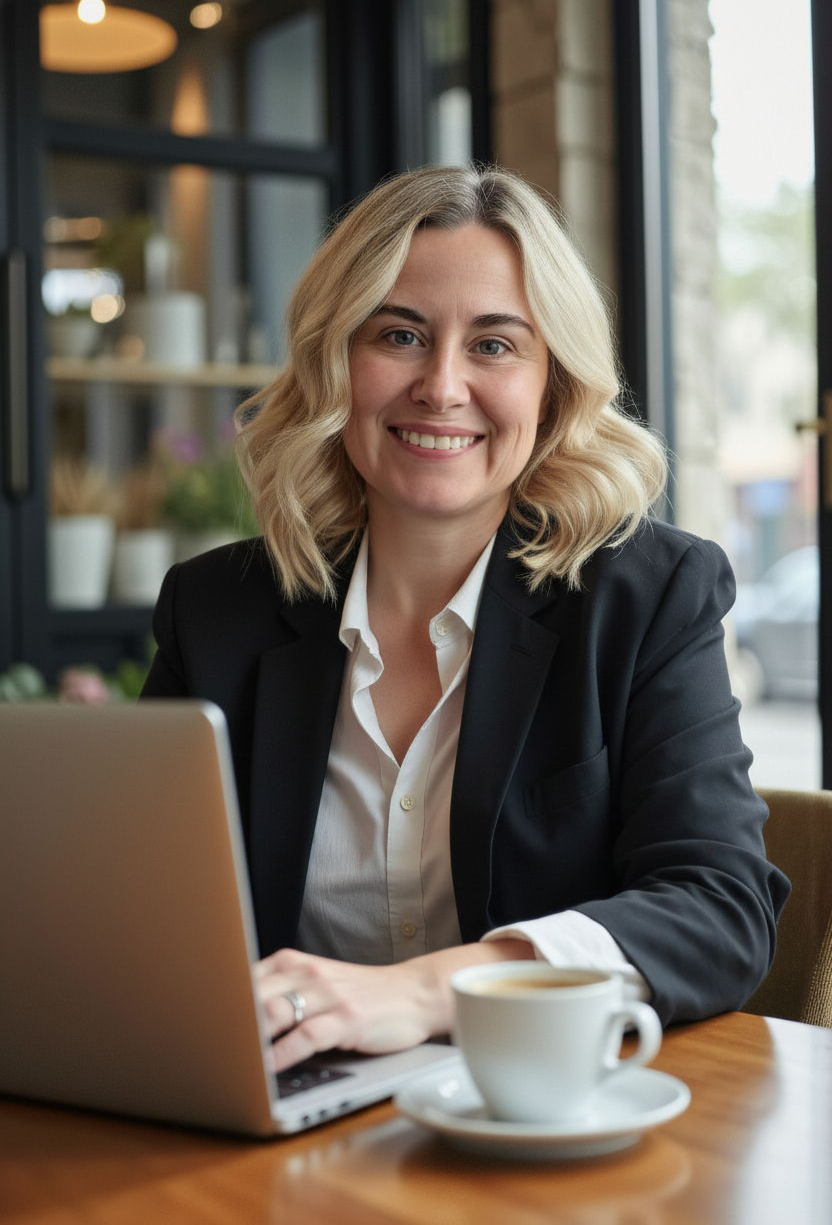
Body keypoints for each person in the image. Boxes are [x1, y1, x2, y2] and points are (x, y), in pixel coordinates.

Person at [142, 164, 789, 1072]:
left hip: (544, 1113)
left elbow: (720, 910)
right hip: (282, 1121)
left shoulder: (649, 596)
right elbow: (139, 915)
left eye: (494, 346)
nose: (441, 387)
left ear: (552, 386)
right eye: (400, 335)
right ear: (336, 360)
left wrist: (426, 989)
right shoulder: (216, 611)